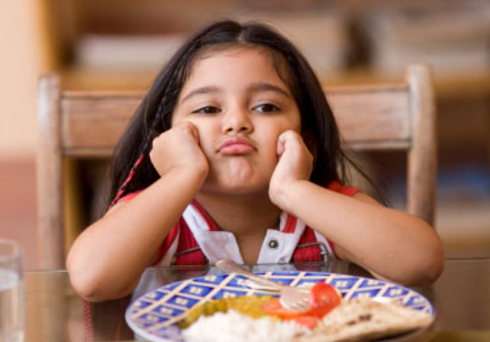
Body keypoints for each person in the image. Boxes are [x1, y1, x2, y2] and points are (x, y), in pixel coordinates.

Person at [66, 20, 444, 302]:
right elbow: (91, 279)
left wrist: (292, 190)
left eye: (265, 106)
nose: (236, 123)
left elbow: (422, 262)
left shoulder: (322, 213)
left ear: (304, 138)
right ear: (171, 139)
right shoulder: (160, 217)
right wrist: (182, 176)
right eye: (208, 108)